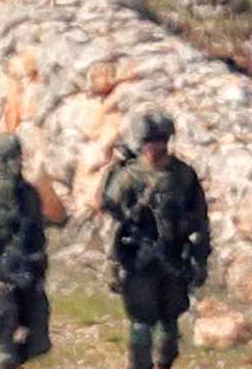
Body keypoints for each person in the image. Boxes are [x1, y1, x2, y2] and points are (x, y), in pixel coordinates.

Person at [100, 110, 211, 369]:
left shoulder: (183, 175)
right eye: (149, 141)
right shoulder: (128, 176)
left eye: (159, 140)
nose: (154, 147)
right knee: (140, 323)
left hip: (174, 258)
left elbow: (200, 221)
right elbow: (111, 216)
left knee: (169, 324)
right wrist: (112, 264)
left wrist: (200, 260)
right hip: (138, 260)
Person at [0, 131, 51, 367]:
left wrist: (38, 265)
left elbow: (37, 233)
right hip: (1, 279)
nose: (16, 163)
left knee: (39, 342)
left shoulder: (29, 193)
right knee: (4, 349)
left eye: (17, 157)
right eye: (9, 158)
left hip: (28, 275)